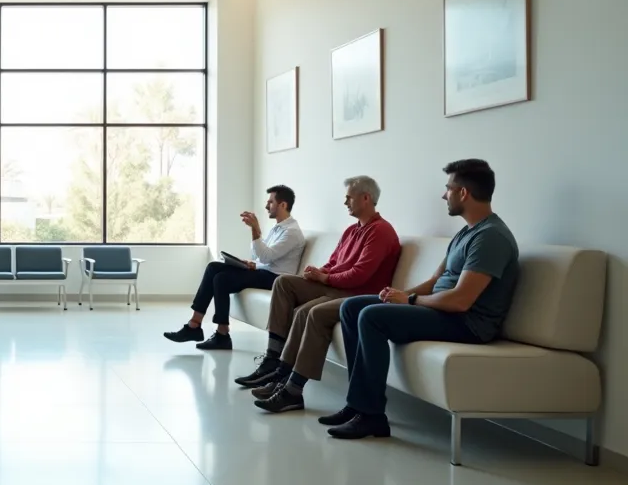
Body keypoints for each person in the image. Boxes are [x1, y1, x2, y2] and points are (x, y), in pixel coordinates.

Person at [324, 160, 519, 439]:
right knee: (353, 307)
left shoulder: (491, 237)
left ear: (463, 193)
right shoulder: (466, 233)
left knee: (371, 317)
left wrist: (410, 300)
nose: (444, 195)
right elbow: (435, 282)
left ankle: (371, 416)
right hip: (446, 312)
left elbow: (461, 301)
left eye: (448, 189)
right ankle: (356, 404)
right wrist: (396, 296)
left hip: (468, 323)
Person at [236, 175, 401, 407]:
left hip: (357, 294)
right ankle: (275, 362)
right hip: (335, 286)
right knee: (284, 282)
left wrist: (325, 277)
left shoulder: (381, 231)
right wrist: (319, 271)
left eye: (349, 198)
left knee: (307, 312)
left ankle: (292, 389)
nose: (345, 203)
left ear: (366, 198)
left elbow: (360, 275)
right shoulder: (351, 231)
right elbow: (334, 262)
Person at [164, 185, 304, 350]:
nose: (266, 206)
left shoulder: (292, 232)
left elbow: (266, 256)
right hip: (265, 271)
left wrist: (255, 230)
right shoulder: (278, 228)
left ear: (283, 205)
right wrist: (253, 263)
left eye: (270, 202)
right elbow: (262, 257)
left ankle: (221, 334)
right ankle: (194, 325)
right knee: (213, 268)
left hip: (277, 279)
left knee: (221, 279)